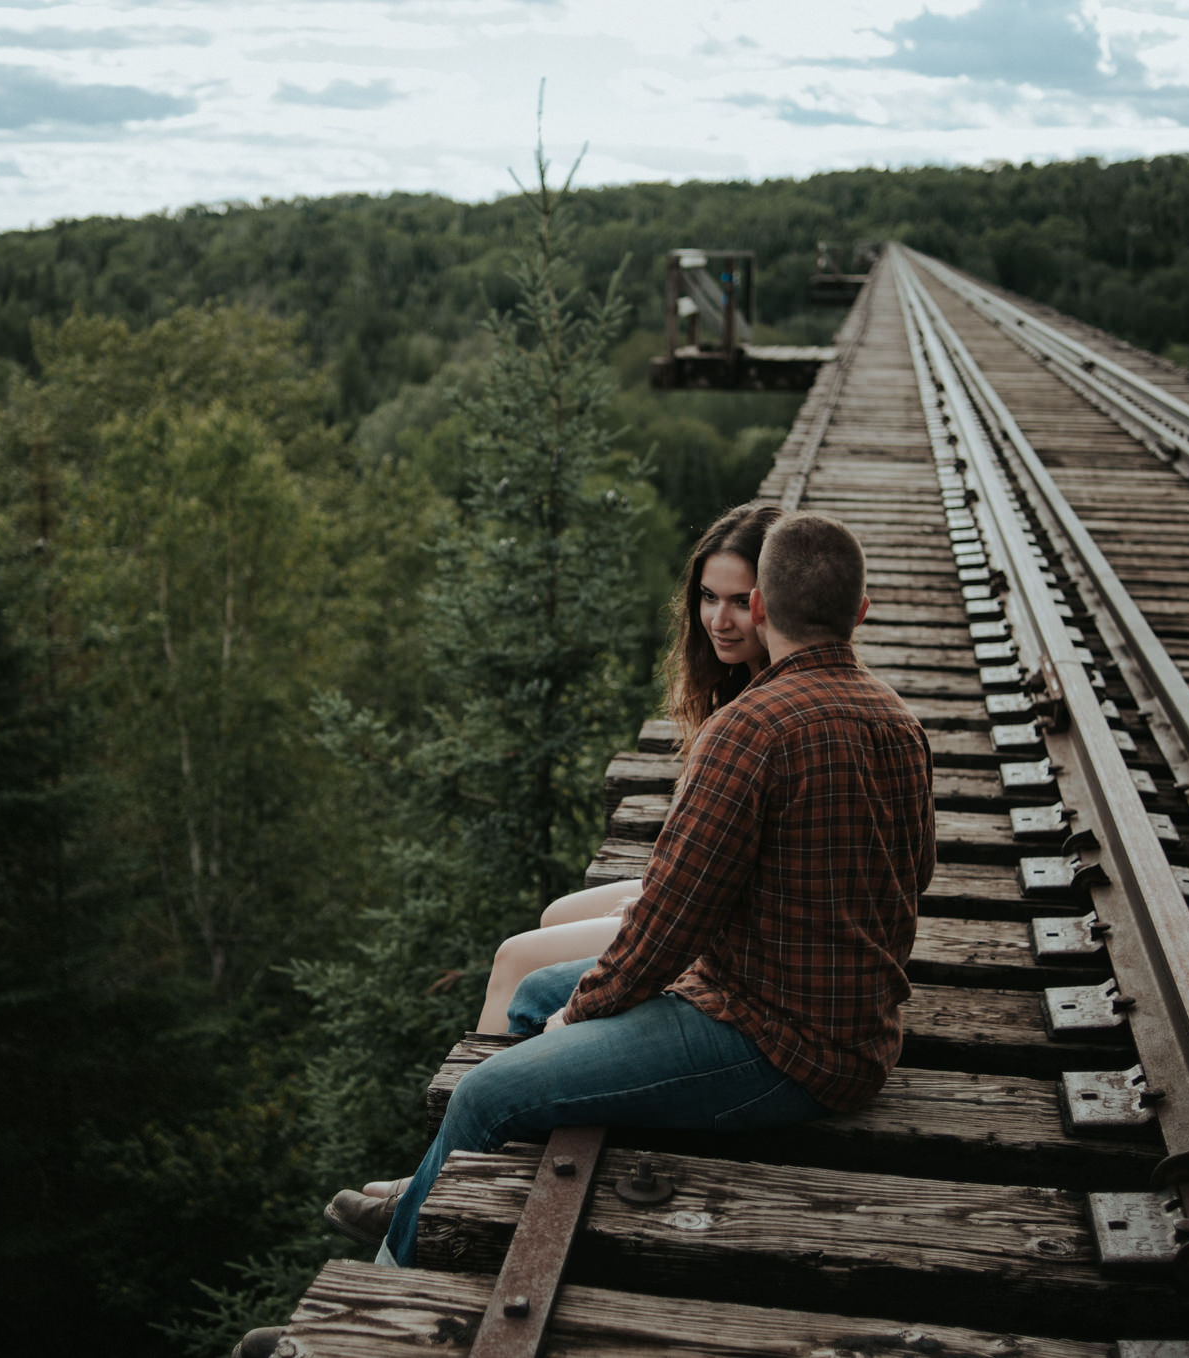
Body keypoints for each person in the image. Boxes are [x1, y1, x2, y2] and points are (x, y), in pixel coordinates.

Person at [327, 510, 937, 1267]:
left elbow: (664, 929)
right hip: (834, 1024)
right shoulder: (901, 723)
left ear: (759, 608)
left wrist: (581, 1019)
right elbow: (914, 879)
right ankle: (447, 1202)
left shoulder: (749, 730)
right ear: (862, 612)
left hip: (779, 1050)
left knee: (488, 1091)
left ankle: (384, 1297)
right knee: (532, 994)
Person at [470, 502, 782, 1035]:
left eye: (738, 602)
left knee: (515, 958)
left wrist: (659, 902)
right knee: (555, 915)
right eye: (708, 598)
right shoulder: (742, 679)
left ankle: (499, 1090)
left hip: (738, 922)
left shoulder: (762, 708)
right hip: (722, 890)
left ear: (773, 602)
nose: (719, 621)